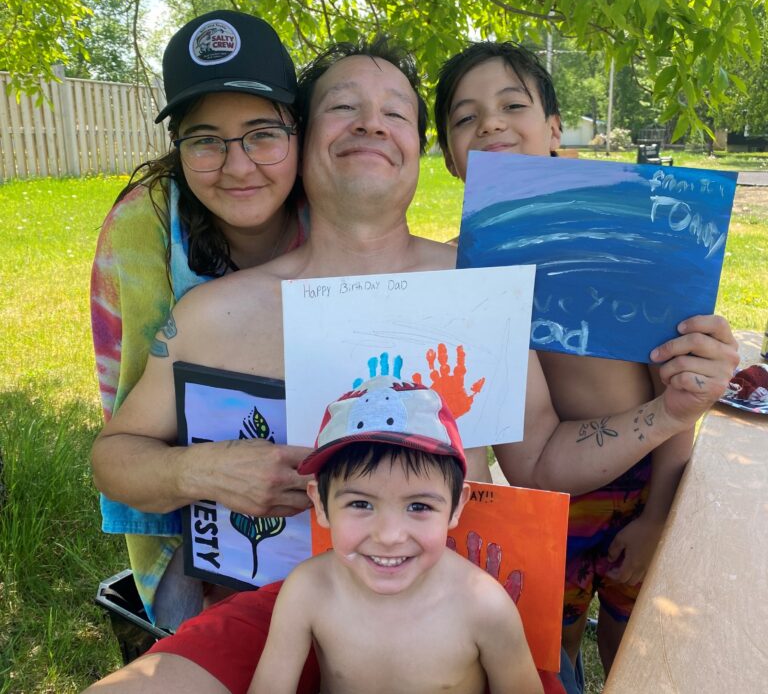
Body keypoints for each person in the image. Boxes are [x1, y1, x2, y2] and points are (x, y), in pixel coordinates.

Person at [85, 37, 736, 693]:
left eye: (395, 112)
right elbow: (114, 456)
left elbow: (540, 461)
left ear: (420, 152)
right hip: (275, 611)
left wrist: (669, 411)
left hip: (456, 617)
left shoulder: (479, 287)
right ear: (305, 139)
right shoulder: (216, 314)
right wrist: (197, 468)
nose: (371, 121)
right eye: (344, 106)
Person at [432, 40, 736, 678]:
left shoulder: (624, 227)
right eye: (465, 117)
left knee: (634, 641)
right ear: (452, 159)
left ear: (553, 129)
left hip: (651, 478)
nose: (489, 122)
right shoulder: (462, 267)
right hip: (553, 504)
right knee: (556, 637)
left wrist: (657, 516)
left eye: (511, 104)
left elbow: (674, 390)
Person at [89, 9, 307, 628]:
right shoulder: (145, 230)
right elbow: (126, 438)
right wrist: (206, 472)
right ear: (177, 145)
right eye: (205, 139)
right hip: (196, 521)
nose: (237, 166)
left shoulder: (332, 212)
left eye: (262, 132)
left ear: (299, 130)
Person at [247, 375, 544, 694]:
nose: (389, 536)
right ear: (320, 504)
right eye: (360, 503)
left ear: (457, 507)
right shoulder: (308, 591)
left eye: (419, 506)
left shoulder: (484, 607)